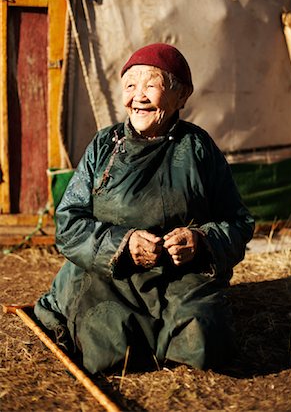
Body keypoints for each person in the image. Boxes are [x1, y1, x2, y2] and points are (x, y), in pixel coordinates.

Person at [34, 43, 254, 374]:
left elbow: (238, 221)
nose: (139, 97)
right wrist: (122, 244)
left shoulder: (199, 149)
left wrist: (201, 241)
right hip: (108, 275)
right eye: (130, 86)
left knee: (205, 343)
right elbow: (68, 223)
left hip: (181, 276)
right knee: (111, 348)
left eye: (151, 85)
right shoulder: (103, 146)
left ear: (182, 96)